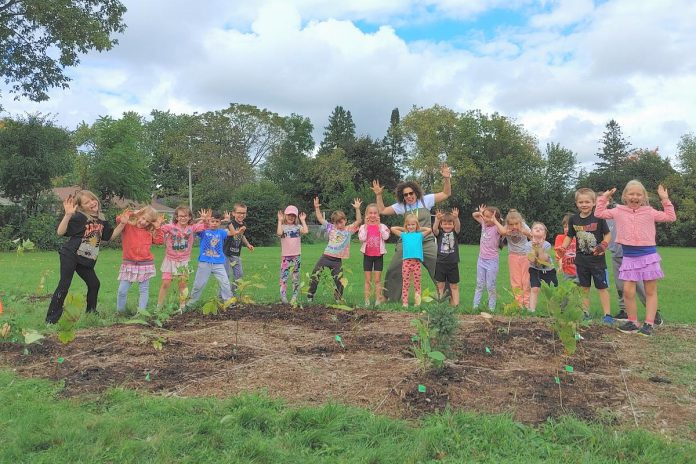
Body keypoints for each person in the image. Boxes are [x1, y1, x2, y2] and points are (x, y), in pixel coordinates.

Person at [595, 181, 676, 336]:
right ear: (625, 196)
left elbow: (670, 217)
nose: (635, 197)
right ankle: (633, 322)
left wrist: (665, 199)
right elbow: (599, 213)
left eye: (639, 194)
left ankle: (649, 324)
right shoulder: (618, 210)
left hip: (648, 256)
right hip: (629, 257)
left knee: (650, 291)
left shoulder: (649, 211)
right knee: (627, 291)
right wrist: (604, 198)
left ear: (643, 197)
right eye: (631, 194)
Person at [372, 164, 451, 302]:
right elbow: (383, 210)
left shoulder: (426, 200)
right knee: (394, 268)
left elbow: (446, 193)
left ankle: (447, 297)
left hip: (426, 241)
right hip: (407, 243)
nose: (409, 196)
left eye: (411, 193)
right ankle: (389, 298)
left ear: (416, 192)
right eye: (405, 195)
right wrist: (379, 195)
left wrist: (446, 179)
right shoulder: (402, 206)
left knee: (438, 266)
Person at [46, 190, 124, 324]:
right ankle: (51, 319)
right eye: (87, 202)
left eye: (92, 199)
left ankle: (91, 312)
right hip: (70, 254)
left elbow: (109, 236)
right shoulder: (79, 217)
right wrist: (68, 215)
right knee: (64, 284)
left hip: (85, 259)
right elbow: (60, 232)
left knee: (94, 284)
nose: (92, 203)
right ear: (82, 207)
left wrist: (123, 223)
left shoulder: (102, 219)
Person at [558, 188, 613, 324]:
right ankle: (585, 313)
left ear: (594, 203)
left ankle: (607, 315)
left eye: (587, 202)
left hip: (597, 260)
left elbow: (607, 234)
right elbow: (570, 236)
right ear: (576, 203)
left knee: (602, 288)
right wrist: (563, 247)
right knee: (584, 289)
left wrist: (603, 246)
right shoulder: (573, 219)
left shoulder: (598, 218)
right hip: (581, 261)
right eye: (581, 202)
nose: (584, 204)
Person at [606, 218, 662, 325]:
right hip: (615, 254)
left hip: (630, 255)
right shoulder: (604, 216)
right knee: (621, 286)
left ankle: (654, 314)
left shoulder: (622, 211)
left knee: (640, 286)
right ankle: (624, 311)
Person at [307, 197, 362, 302]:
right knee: (316, 273)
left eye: (341, 222)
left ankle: (338, 298)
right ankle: (310, 294)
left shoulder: (348, 229)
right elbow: (320, 218)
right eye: (337, 223)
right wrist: (316, 207)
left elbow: (359, 220)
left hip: (337, 260)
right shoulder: (331, 228)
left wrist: (357, 209)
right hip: (326, 256)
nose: (339, 225)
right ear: (334, 223)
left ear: (345, 220)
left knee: (339, 280)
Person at [157, 206, 208, 310]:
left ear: (189, 217)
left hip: (184, 261)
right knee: (166, 283)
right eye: (180, 216)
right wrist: (159, 223)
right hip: (170, 260)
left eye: (185, 216)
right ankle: (159, 306)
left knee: (182, 284)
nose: (183, 218)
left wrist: (205, 219)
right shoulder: (170, 227)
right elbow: (159, 230)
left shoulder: (192, 227)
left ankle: (182, 307)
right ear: (176, 217)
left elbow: (205, 227)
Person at [115, 207, 164, 314]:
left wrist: (158, 228)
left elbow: (159, 241)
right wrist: (134, 213)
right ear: (139, 215)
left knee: (143, 290)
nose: (143, 222)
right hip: (129, 264)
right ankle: (120, 313)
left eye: (147, 221)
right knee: (122, 291)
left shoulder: (149, 231)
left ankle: (141, 313)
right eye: (143, 218)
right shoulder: (128, 226)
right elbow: (119, 219)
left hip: (145, 264)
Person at [186, 211, 235, 307]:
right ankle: (191, 303)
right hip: (205, 262)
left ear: (220, 223)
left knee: (225, 282)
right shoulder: (204, 231)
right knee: (198, 284)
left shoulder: (221, 232)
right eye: (212, 221)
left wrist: (229, 222)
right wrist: (202, 220)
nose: (214, 223)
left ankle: (228, 302)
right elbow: (194, 228)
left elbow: (233, 232)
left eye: (217, 221)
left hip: (218, 263)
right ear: (209, 222)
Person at [391, 214, 432, 307]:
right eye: (409, 225)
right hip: (406, 262)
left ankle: (417, 303)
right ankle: (405, 302)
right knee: (406, 283)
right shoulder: (404, 235)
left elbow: (429, 230)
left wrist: (418, 228)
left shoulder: (419, 235)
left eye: (413, 224)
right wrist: (404, 228)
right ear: (406, 226)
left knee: (417, 283)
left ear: (416, 225)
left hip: (416, 263)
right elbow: (393, 228)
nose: (411, 226)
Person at [472, 204, 506, 312]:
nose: (485, 218)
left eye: (488, 217)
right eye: (484, 216)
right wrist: (482, 213)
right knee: (479, 284)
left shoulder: (496, 228)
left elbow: (504, 232)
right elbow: (474, 215)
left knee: (491, 286)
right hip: (481, 260)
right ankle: (475, 306)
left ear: (495, 218)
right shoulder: (484, 224)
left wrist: (495, 221)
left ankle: (491, 308)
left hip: (492, 261)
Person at [358, 203, 390, 306]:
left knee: (377, 280)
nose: (372, 215)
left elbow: (386, 237)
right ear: (366, 214)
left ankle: (377, 300)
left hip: (378, 256)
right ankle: (367, 300)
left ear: (378, 214)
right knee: (368, 280)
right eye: (370, 213)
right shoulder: (363, 227)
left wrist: (379, 226)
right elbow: (362, 238)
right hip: (367, 256)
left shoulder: (382, 226)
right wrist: (366, 227)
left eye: (375, 213)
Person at [277, 205, 309, 304]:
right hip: (285, 257)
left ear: (296, 217)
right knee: (284, 277)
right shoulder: (282, 227)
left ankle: (294, 297)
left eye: (293, 215)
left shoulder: (298, 227)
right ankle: (283, 297)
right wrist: (279, 221)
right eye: (289, 215)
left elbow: (306, 231)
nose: (291, 217)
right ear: (285, 215)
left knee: (295, 278)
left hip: (296, 256)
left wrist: (303, 220)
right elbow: (279, 233)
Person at [222, 203, 254, 295]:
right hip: (226, 253)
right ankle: (222, 297)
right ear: (233, 213)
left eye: (244, 213)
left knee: (239, 275)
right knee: (225, 275)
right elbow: (232, 232)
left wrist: (247, 244)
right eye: (239, 213)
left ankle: (233, 295)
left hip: (236, 254)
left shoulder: (243, 224)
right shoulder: (230, 223)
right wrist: (235, 229)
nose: (241, 215)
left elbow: (241, 235)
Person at [503, 209, 532, 308]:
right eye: (511, 224)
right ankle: (519, 304)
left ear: (520, 222)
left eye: (516, 224)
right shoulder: (506, 227)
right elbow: (500, 234)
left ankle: (527, 304)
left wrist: (525, 232)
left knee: (526, 281)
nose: (514, 227)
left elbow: (533, 237)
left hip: (525, 256)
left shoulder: (523, 226)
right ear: (508, 224)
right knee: (515, 281)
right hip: (513, 256)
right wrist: (505, 232)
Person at [432, 208, 461, 306]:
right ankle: (440, 305)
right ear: (441, 225)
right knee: (440, 285)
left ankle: (456, 305)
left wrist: (456, 218)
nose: (447, 225)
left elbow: (458, 227)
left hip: (453, 263)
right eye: (445, 223)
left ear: (453, 225)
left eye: (450, 224)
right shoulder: (440, 234)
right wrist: (437, 219)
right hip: (441, 263)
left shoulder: (455, 233)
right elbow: (434, 229)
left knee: (454, 285)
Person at [527, 222, 558, 312]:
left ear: (544, 235)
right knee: (534, 288)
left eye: (541, 229)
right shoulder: (528, 245)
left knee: (550, 290)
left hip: (548, 270)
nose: (538, 229)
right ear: (531, 233)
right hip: (534, 269)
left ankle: (553, 310)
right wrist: (533, 247)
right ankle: (532, 309)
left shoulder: (547, 244)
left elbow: (543, 260)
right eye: (535, 228)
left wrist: (540, 247)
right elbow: (532, 260)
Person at [554, 214, 577, 282]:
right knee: (568, 291)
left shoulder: (579, 238)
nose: (567, 229)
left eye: (569, 226)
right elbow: (559, 254)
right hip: (567, 271)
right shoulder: (560, 238)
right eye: (565, 227)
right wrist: (560, 265)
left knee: (581, 290)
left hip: (580, 270)